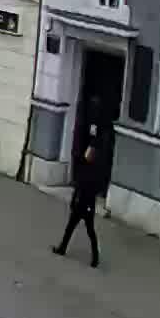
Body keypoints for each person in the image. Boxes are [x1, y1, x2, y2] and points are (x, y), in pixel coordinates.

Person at [54, 99, 111, 268]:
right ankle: (74, 251)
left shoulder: (89, 169)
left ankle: (91, 256)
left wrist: (76, 199)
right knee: (81, 229)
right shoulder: (92, 168)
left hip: (84, 204)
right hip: (86, 203)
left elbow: (82, 186)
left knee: (85, 230)